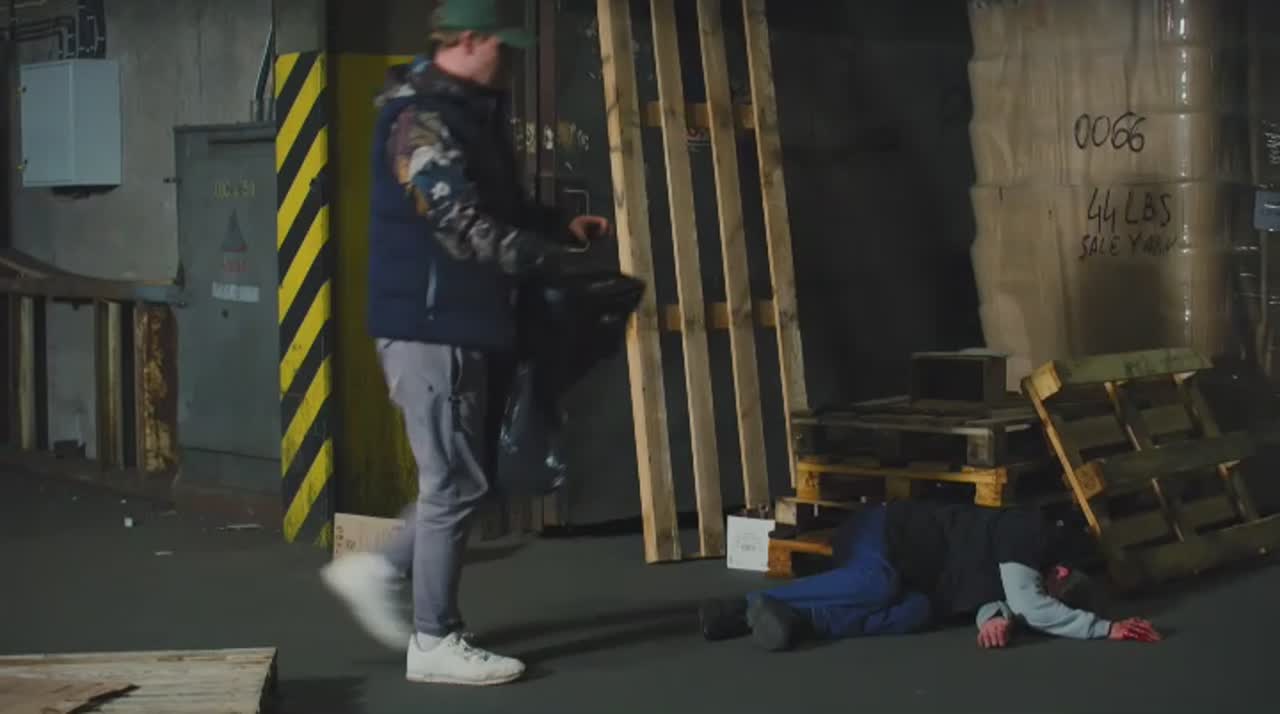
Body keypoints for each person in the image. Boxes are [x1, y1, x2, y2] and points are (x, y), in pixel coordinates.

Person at [320, 0, 611, 687]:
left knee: (467, 476)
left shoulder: (467, 112)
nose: (509, 60)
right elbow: (459, 224)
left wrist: (556, 226)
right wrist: (550, 261)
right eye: (502, 47)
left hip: (464, 322)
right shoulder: (420, 119)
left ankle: (381, 568)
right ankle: (433, 640)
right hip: (432, 329)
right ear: (471, 40)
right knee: (453, 482)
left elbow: (497, 206)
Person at [699, 501, 1163, 651]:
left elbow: (1000, 597)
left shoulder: (1021, 568)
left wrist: (993, 621)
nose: (1051, 592)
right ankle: (738, 609)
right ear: (1059, 567)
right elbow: (1031, 603)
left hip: (918, 578)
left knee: (917, 611)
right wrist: (1105, 629)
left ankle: (797, 621)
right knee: (878, 584)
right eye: (1057, 589)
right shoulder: (1027, 533)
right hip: (880, 532)